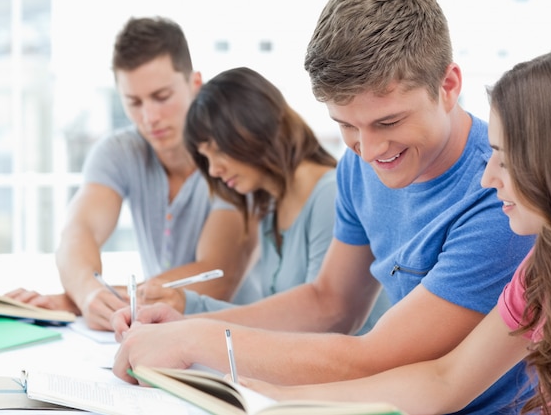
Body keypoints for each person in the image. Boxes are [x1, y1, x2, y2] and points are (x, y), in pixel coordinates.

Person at [111, 0, 535, 413]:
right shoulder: (358, 168)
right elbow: (328, 304)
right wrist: (185, 325)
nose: (368, 151)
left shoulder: (501, 197)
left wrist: (194, 340)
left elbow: (378, 357)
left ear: (448, 86)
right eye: (346, 125)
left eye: (388, 122)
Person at [241, 42, 551, 415]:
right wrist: (279, 397)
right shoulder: (547, 264)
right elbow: (444, 380)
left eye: (504, 160)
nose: (488, 178)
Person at [5, 16, 256, 331]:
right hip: (161, 332)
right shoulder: (119, 152)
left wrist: (72, 300)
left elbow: (217, 275)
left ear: (195, 84)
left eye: (162, 97)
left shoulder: (232, 157)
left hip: (234, 334)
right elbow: (78, 231)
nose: (149, 117)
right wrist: (87, 293)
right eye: (134, 102)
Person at [141, 66, 386, 332]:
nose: (213, 170)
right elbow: (276, 319)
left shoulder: (330, 196)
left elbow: (319, 323)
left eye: (216, 151)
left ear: (252, 127)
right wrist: (185, 305)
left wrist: (191, 319)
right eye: (205, 158)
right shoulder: (270, 208)